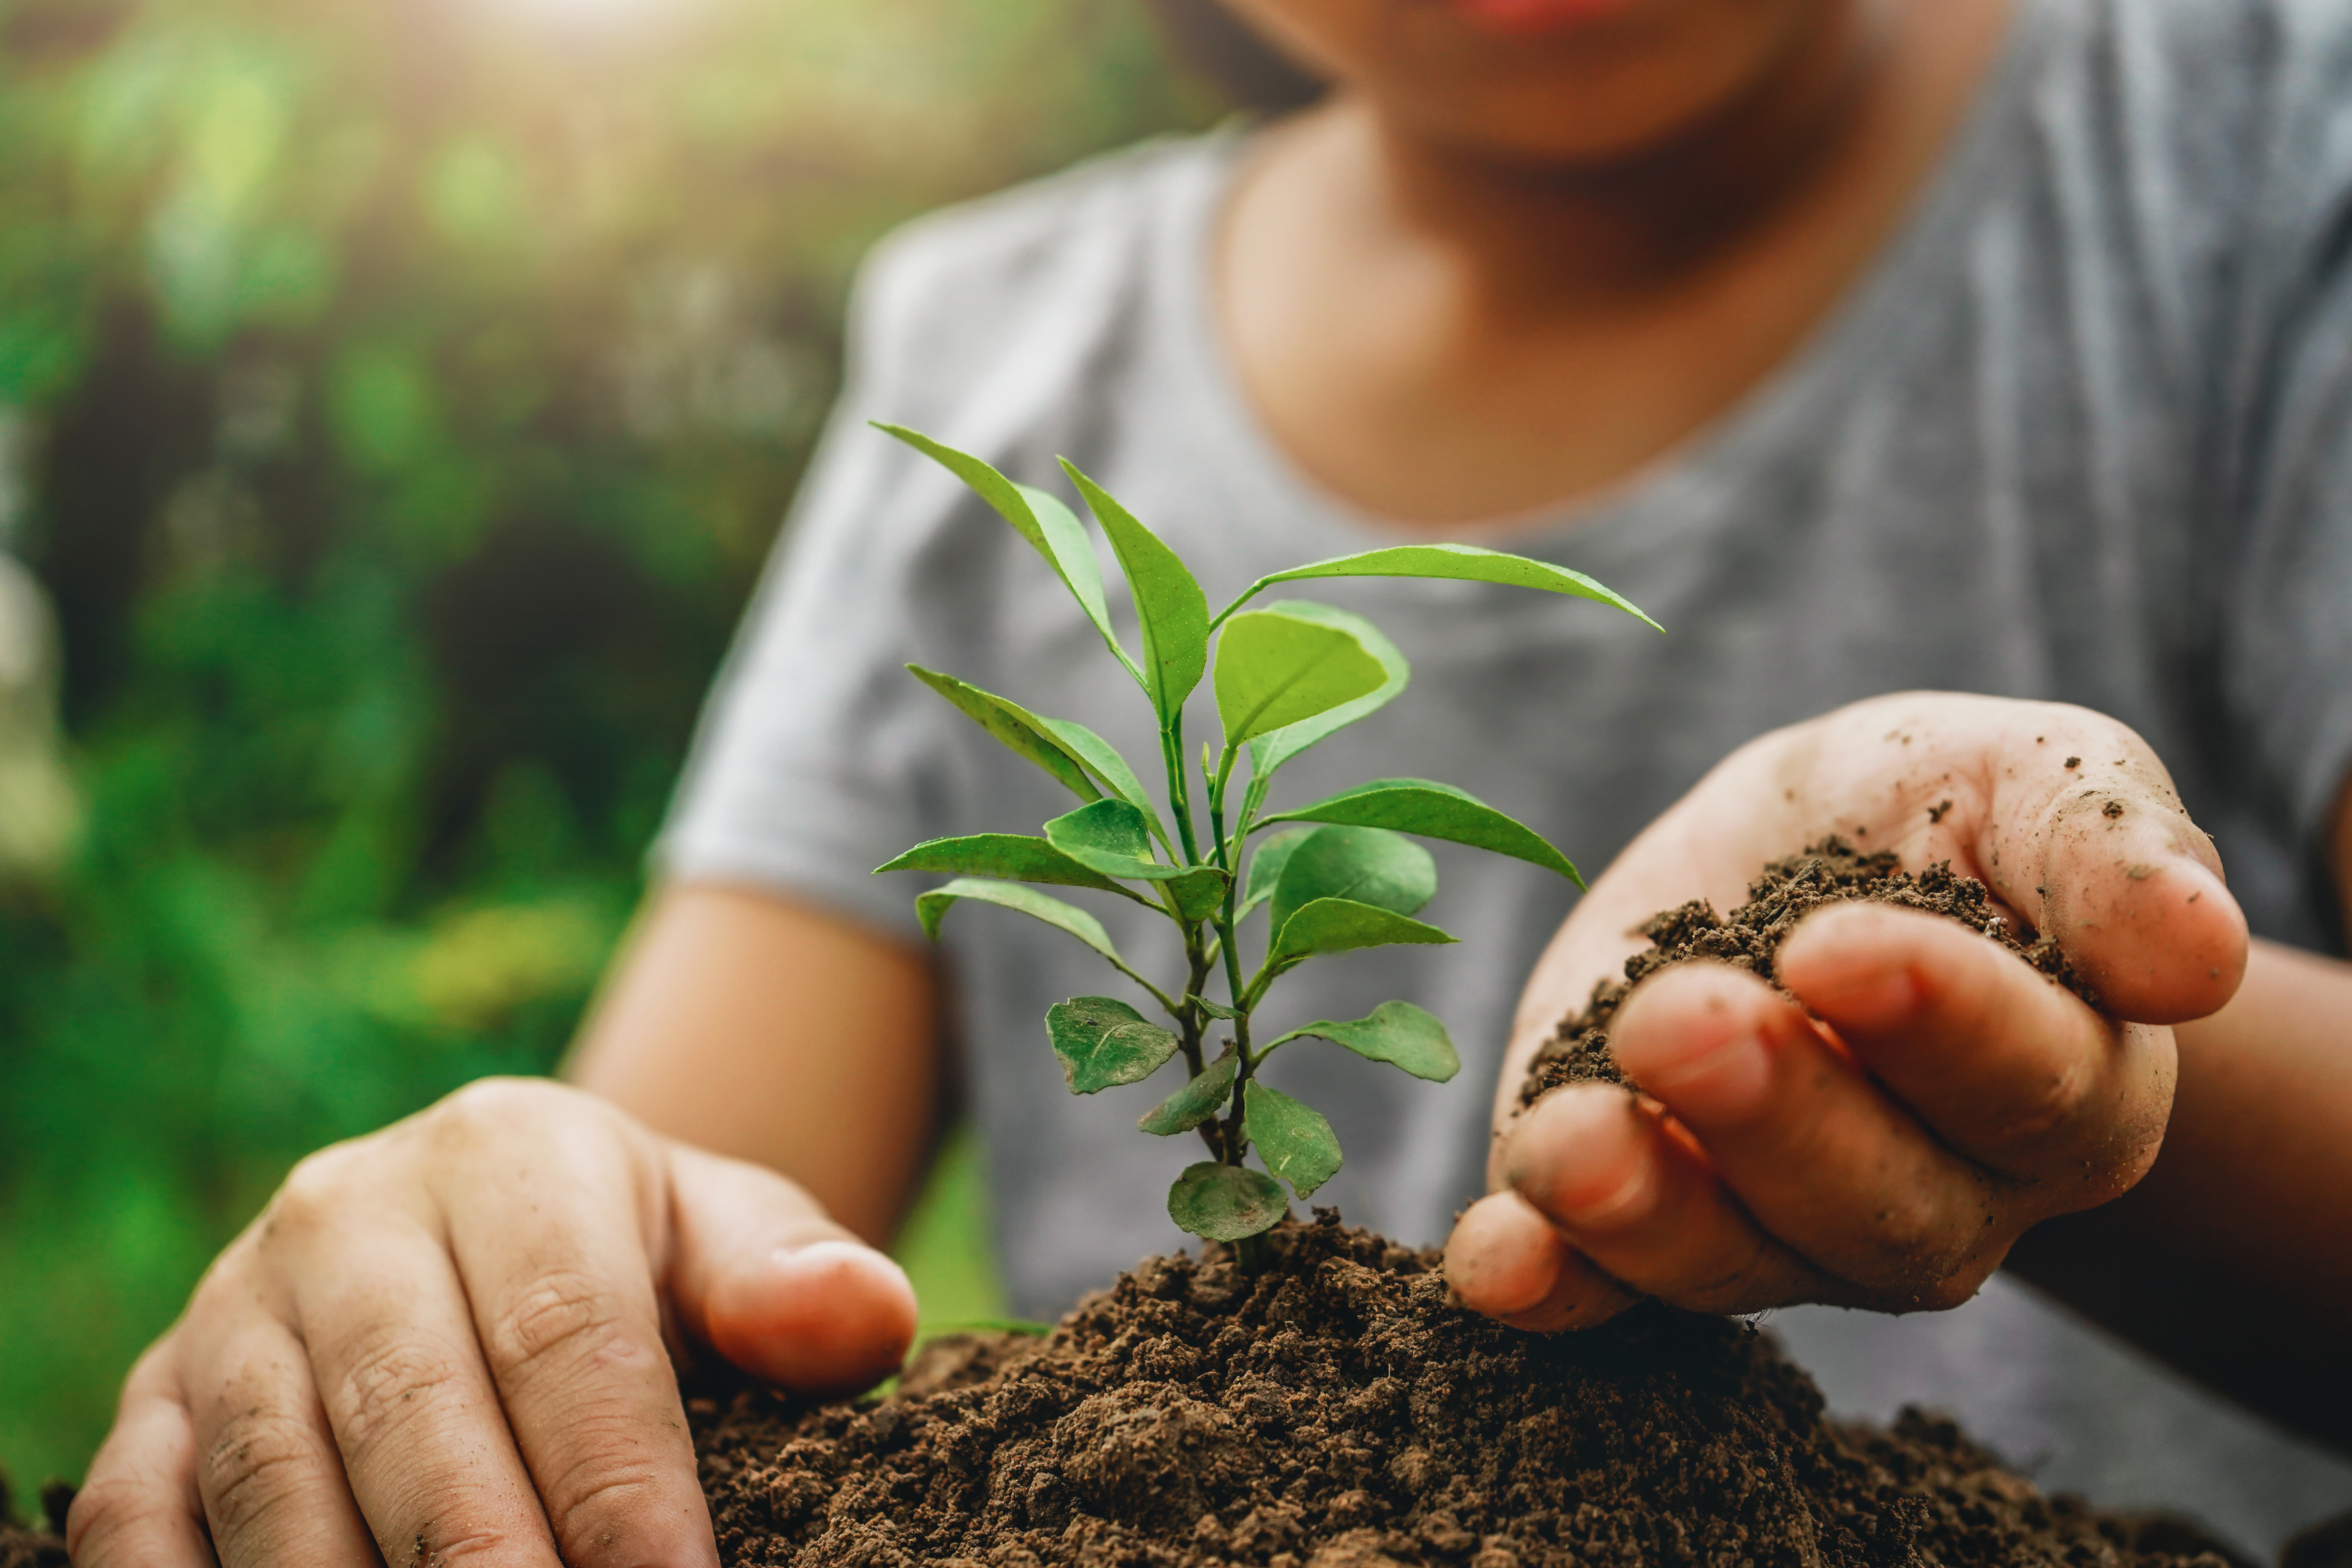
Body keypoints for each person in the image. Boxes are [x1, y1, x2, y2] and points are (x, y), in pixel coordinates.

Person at [67, 0, 2352, 1563]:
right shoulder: (996, 347)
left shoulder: (2253, 134)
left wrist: (2089, 1053)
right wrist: (489, 1226)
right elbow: (694, 1239)